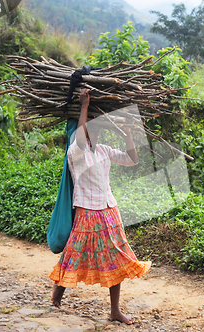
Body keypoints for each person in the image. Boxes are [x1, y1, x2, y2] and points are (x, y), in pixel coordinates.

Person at [49, 88, 151, 325]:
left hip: (109, 210)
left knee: (116, 256)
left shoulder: (104, 150)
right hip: (86, 212)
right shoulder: (76, 153)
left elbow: (131, 159)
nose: (93, 134)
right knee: (73, 254)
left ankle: (115, 310)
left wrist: (128, 135)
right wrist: (84, 106)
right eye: (89, 130)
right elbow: (81, 138)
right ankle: (56, 297)